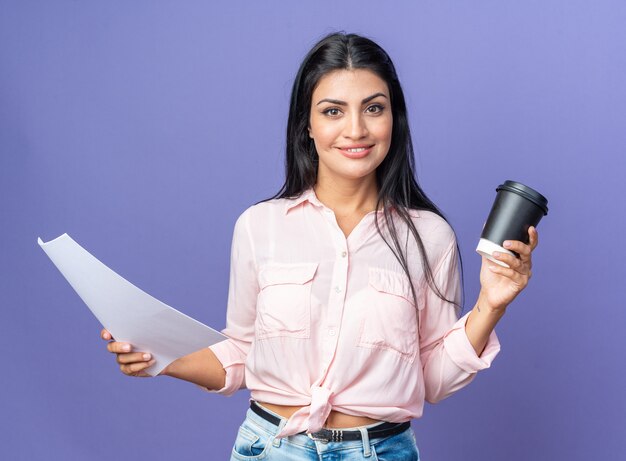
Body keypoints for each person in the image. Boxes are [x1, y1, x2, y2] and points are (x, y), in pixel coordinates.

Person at [101, 32, 539, 460]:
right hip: (268, 449)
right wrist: (160, 357)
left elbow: (430, 379)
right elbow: (242, 355)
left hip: (381, 451)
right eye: (333, 111)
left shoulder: (430, 236)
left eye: (373, 108)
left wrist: (491, 303)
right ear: (306, 125)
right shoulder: (259, 226)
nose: (356, 129)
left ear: (394, 119)